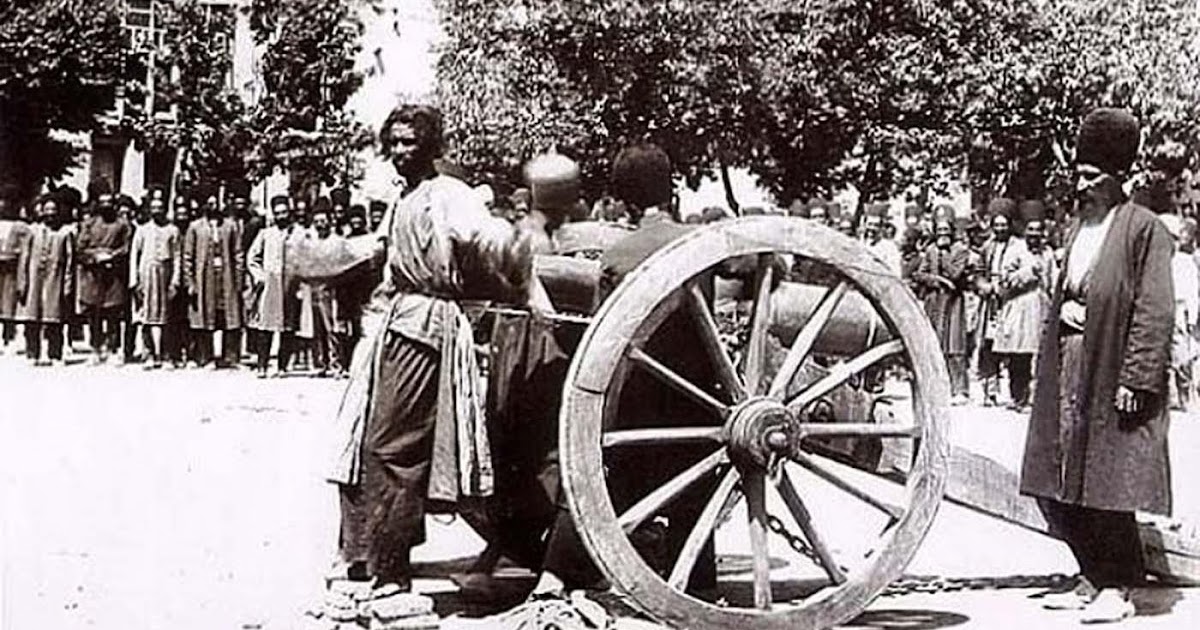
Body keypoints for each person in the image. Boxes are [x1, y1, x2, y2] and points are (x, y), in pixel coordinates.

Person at [321, 104, 548, 597]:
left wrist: (534, 290)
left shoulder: (450, 195)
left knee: (393, 445)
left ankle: (391, 571)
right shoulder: (403, 198)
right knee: (362, 439)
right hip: (393, 323)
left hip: (425, 325)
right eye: (395, 142)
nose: (400, 152)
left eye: (410, 143)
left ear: (429, 147)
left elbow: (495, 243)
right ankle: (366, 557)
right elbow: (382, 252)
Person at [1020, 109, 1174, 623]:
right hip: (1069, 362)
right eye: (1079, 175)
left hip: (1111, 366)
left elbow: (1155, 309)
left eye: (1092, 177)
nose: (1081, 185)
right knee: (1061, 475)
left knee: (1109, 480)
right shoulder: (1078, 227)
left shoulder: (1143, 229)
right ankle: (1090, 573)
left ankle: (1120, 585)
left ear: (1116, 178)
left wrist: (1137, 376)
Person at [993, 200, 1057, 411]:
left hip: (1040, 308)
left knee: (1038, 355)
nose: (1034, 234)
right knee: (1018, 355)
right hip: (1019, 307)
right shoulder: (1015, 250)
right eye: (1031, 230)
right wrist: (1028, 274)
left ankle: (1033, 397)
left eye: (1038, 230)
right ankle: (1017, 395)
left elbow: (1052, 280)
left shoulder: (1047, 253)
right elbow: (1005, 278)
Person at [912, 205, 972, 404]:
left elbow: (955, 274)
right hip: (935, 302)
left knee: (955, 347)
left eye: (946, 230)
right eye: (939, 230)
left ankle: (960, 390)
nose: (943, 234)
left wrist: (944, 256)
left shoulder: (961, 250)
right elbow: (919, 274)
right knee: (935, 345)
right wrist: (937, 281)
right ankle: (937, 388)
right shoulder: (930, 250)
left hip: (954, 303)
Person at [182, 184, 244, 369]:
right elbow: (188, 257)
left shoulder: (230, 225)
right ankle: (205, 357)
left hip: (226, 277)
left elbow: (238, 254)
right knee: (205, 316)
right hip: (204, 278)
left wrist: (239, 280)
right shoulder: (195, 227)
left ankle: (230, 357)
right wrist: (190, 282)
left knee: (228, 317)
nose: (212, 204)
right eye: (208, 201)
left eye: (215, 201)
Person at [76, 179, 133, 365]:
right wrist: (95, 257)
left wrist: (111, 256)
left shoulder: (122, 224)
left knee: (113, 313)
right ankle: (95, 348)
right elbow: (80, 249)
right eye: (103, 202)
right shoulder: (89, 223)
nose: (106, 206)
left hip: (113, 274)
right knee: (93, 314)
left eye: (110, 202)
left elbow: (127, 247)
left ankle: (113, 348)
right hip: (93, 276)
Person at [246, 195, 303, 377]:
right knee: (266, 325)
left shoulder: (299, 233)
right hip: (270, 282)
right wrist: (259, 276)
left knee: (288, 325)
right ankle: (262, 365)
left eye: (284, 212)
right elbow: (252, 258)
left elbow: (307, 258)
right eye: (277, 213)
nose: (281, 217)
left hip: (290, 283)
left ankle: (282, 366)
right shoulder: (266, 234)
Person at [17, 193, 74, 366]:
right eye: (47, 210)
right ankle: (32, 354)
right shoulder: (32, 231)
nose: (50, 213)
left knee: (54, 319)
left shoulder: (65, 233)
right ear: (42, 211)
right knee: (32, 318)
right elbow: (24, 258)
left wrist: (67, 284)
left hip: (54, 279)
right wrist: (22, 282)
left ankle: (54, 354)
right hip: (34, 280)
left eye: (53, 210)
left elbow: (70, 261)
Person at [129, 189, 181, 369]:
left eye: (160, 208)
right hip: (146, 274)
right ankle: (149, 354)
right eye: (154, 208)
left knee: (166, 316)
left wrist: (175, 280)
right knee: (146, 316)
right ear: (150, 210)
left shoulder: (172, 230)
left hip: (164, 275)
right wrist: (134, 280)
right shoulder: (142, 230)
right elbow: (134, 255)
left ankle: (166, 355)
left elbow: (177, 256)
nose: (157, 211)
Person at [977, 198, 1018, 406]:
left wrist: (1006, 288)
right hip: (990, 302)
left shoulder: (1018, 246)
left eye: (1004, 225)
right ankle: (990, 391)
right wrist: (983, 285)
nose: (1000, 229)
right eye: (997, 225)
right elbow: (978, 272)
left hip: (1010, 301)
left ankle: (1015, 392)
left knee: (1011, 346)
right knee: (988, 346)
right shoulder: (987, 247)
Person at [1160, 214, 1198, 410]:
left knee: (1182, 355)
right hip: (1161, 309)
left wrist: (1191, 316)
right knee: (1162, 354)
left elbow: (1191, 292)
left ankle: (1185, 396)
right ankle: (1166, 396)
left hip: (1179, 310)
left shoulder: (1185, 262)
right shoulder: (1158, 262)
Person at [0, 184, 30, 352]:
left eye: (6, 201)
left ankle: (8, 335)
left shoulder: (21, 227)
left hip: (11, 268)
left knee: (9, 302)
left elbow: (25, 248)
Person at [863, 202, 902, 275]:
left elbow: (896, 272)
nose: (872, 228)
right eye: (870, 224)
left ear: (881, 228)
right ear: (865, 224)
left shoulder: (889, 248)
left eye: (876, 225)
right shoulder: (860, 243)